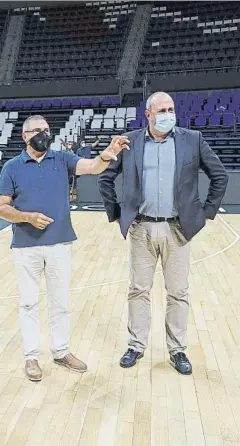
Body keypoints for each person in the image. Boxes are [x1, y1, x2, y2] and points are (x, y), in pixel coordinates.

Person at [98, 92, 228, 375]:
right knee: (138, 290)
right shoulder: (130, 142)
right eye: (162, 110)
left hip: (178, 229)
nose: (168, 113)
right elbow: (106, 176)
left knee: (178, 293)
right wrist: (118, 213)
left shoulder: (192, 140)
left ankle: (178, 349)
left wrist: (205, 213)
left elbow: (220, 175)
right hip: (141, 227)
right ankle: (135, 346)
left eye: (171, 108)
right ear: (148, 115)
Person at [0, 115, 129, 381]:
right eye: (38, 131)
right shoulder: (11, 167)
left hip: (59, 243)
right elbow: (1, 208)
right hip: (26, 246)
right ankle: (31, 357)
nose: (44, 134)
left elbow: (91, 167)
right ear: (25, 136)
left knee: (60, 303)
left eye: (47, 130)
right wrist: (27, 217)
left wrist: (107, 154)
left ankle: (61, 351)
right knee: (29, 303)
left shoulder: (62, 158)